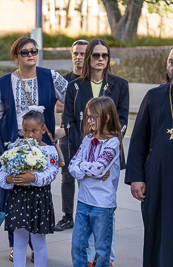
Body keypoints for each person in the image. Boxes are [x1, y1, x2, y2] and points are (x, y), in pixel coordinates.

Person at [0, 36, 67, 260]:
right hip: (12, 147)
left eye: (34, 50)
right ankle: (16, 244)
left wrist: (64, 129)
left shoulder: (50, 76)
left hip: (41, 150)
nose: (30, 54)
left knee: (37, 194)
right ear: (16, 57)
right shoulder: (4, 82)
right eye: (25, 52)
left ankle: (36, 244)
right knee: (11, 196)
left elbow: (73, 99)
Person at [64, 38, 127, 267]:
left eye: (105, 55)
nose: (101, 59)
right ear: (88, 57)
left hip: (108, 151)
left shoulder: (120, 85)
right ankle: (88, 259)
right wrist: (81, 160)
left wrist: (107, 139)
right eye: (96, 55)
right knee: (85, 213)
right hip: (85, 148)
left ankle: (104, 259)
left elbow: (121, 121)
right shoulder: (74, 85)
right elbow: (69, 121)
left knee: (102, 214)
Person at [125, 48, 173, 266]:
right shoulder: (154, 96)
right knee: (157, 229)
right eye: (171, 61)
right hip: (158, 179)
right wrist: (136, 178)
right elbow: (137, 141)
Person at [0, 107, 59, 267]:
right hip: (19, 199)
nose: (30, 135)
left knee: (38, 243)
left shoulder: (49, 150)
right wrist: (10, 178)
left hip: (39, 200)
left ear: (43, 129)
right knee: (19, 242)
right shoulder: (14, 149)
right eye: (26, 131)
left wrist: (33, 177)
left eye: (34, 130)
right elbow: (2, 175)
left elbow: (52, 173)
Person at [69, 96, 122, 267]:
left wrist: (81, 167)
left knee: (101, 249)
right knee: (78, 246)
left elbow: (100, 168)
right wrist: (88, 170)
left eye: (93, 117)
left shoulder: (113, 143)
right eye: (88, 117)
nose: (89, 121)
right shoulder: (87, 139)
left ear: (106, 117)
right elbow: (72, 166)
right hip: (84, 201)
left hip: (102, 205)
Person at [55, 39, 89, 232]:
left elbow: (93, 106)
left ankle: (87, 214)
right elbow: (56, 105)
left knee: (88, 176)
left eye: (83, 53)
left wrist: (69, 105)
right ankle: (68, 217)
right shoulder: (64, 79)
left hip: (89, 135)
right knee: (67, 177)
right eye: (76, 53)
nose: (78, 57)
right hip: (66, 133)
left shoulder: (93, 80)